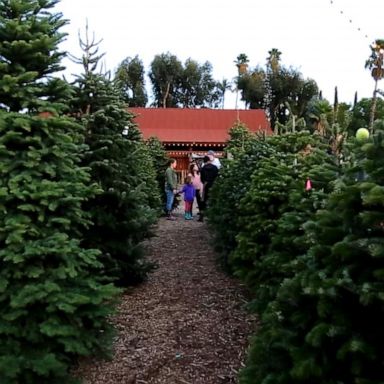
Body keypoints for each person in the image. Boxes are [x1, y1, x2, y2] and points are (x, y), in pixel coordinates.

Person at [199, 155, 219, 221]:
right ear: (209, 160)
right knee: (213, 200)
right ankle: (213, 217)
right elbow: (217, 177)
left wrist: (204, 182)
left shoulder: (203, 168)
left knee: (204, 200)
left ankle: (202, 215)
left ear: (204, 161)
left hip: (206, 184)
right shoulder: (215, 167)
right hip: (213, 185)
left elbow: (201, 179)